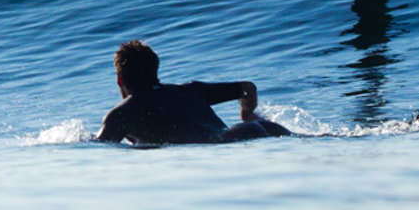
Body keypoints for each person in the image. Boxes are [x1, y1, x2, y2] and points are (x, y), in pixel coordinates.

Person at [96, 40, 292, 145]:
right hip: (258, 128)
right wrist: (247, 115)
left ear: (119, 79)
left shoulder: (120, 114)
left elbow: (100, 149)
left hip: (223, 146)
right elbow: (248, 88)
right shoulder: (191, 90)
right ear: (155, 70)